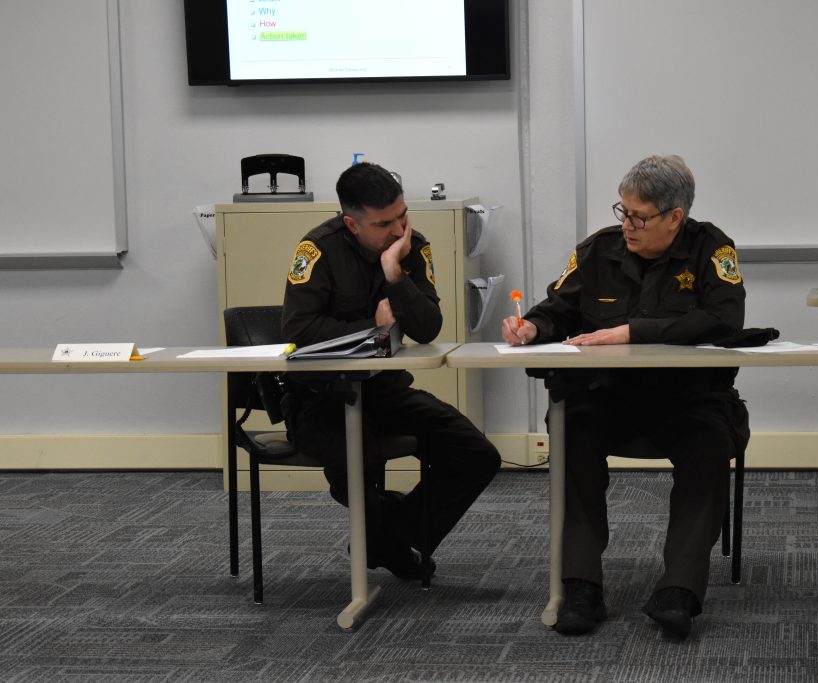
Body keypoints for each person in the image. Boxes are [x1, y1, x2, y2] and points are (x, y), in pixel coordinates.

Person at [501, 155, 750, 639]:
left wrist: (631, 331)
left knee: (708, 447)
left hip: (689, 400)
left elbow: (724, 319)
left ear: (675, 217)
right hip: (606, 398)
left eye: (640, 217)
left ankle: (679, 590)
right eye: (624, 212)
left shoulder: (711, 249)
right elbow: (559, 308)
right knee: (571, 432)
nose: (628, 226)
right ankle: (580, 587)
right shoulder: (598, 251)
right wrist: (531, 326)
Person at [282, 162, 500, 580]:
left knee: (476, 455)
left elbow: (427, 327)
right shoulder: (317, 249)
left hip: (385, 391)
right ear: (351, 223)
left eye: (402, 216)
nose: (398, 230)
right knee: (356, 459)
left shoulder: (412, 246)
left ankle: (388, 539)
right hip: (321, 398)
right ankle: (392, 545)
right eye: (384, 224)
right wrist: (374, 329)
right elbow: (299, 331)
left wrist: (394, 273)